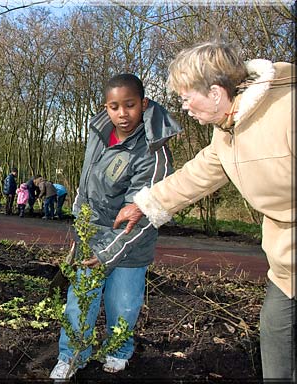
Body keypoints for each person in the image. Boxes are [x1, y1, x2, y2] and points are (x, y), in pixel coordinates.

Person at [113, 42, 295, 382]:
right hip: (286, 268)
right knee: (276, 342)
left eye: (186, 98)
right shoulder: (228, 131)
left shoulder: (286, 112)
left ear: (214, 93)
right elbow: (200, 172)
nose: (183, 108)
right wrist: (145, 203)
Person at [50, 73, 182, 380]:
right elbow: (86, 182)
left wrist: (106, 252)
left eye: (130, 105)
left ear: (143, 104)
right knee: (79, 304)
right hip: (91, 236)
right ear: (106, 107)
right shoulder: (98, 132)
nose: (122, 113)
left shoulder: (153, 152)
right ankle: (71, 356)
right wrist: (80, 221)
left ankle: (119, 350)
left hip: (129, 244)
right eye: (114, 106)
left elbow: (143, 214)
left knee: (122, 304)